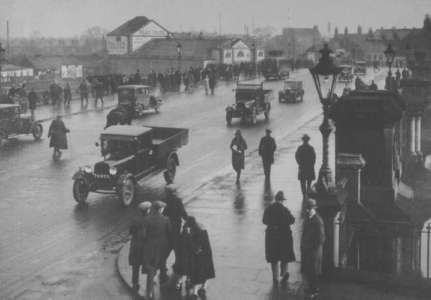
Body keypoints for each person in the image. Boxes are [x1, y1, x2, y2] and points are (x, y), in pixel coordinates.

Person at [263, 191, 295, 284]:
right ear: (282, 200)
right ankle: (284, 273)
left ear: (275, 199)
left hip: (272, 237)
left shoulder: (269, 209)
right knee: (284, 256)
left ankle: (275, 277)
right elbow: (292, 220)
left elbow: (264, 221)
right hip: (284, 237)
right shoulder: (285, 210)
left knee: (274, 258)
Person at [142, 201, 172, 299]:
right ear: (160, 209)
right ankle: (163, 286)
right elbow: (169, 234)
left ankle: (149, 291)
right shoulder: (166, 219)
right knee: (162, 264)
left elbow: (144, 234)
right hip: (162, 247)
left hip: (150, 246)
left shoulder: (147, 219)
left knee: (150, 267)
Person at [161, 184, 188, 282]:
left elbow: (162, 213)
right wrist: (187, 220)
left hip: (166, 228)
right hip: (176, 228)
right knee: (177, 248)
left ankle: (162, 269)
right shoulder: (177, 200)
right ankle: (177, 266)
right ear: (175, 191)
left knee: (166, 250)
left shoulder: (163, 200)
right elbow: (182, 212)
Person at [185, 216, 215, 299]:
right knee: (205, 272)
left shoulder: (195, 232)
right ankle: (203, 288)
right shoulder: (202, 229)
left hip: (198, 256)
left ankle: (194, 293)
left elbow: (196, 247)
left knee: (196, 273)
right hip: (207, 253)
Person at [301, 199, 325, 299]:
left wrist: (310, 246)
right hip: (310, 251)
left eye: (309, 209)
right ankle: (312, 288)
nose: (308, 211)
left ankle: (314, 291)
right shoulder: (310, 218)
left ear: (314, 209)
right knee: (310, 270)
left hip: (313, 251)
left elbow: (321, 239)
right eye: (307, 208)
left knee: (314, 271)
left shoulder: (317, 221)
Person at [129, 201, 152, 291]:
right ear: (148, 209)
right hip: (147, 244)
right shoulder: (151, 219)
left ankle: (135, 283)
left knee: (136, 264)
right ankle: (149, 285)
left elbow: (131, 231)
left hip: (136, 244)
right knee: (149, 265)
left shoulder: (135, 219)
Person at [295, 134, 316, 198]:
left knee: (302, 180)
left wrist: (298, 162)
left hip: (302, 166)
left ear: (303, 140)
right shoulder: (311, 148)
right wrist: (312, 164)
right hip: (309, 166)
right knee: (309, 180)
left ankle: (304, 193)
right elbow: (314, 157)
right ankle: (308, 190)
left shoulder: (300, 148)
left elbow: (296, 155)